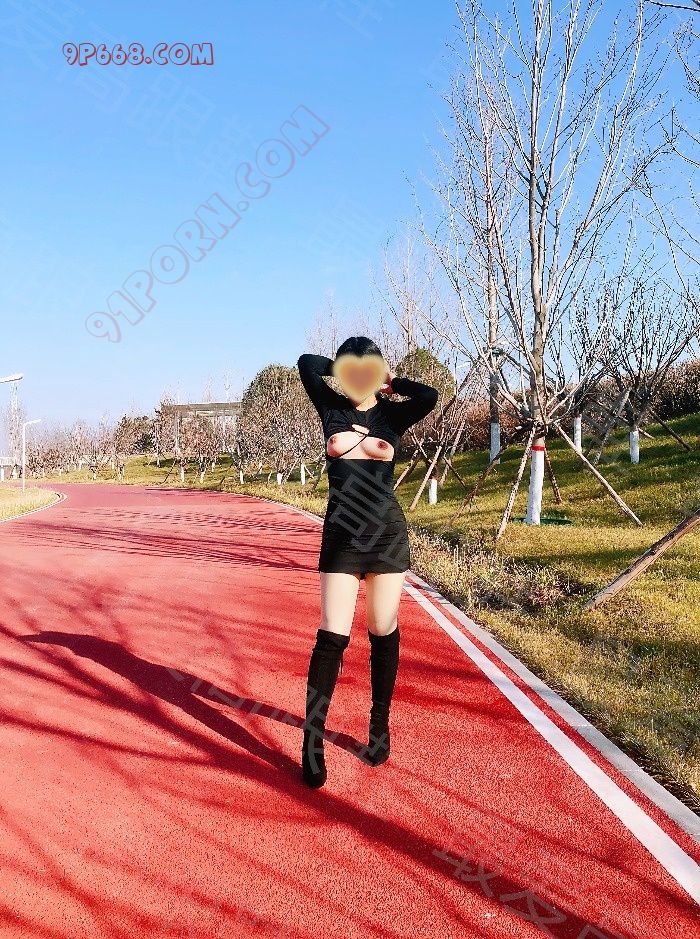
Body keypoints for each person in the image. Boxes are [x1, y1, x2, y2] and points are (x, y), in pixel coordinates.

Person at [297, 337, 439, 788]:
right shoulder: (330, 408)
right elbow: (306, 363)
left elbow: (429, 396)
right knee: (331, 636)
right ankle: (313, 739)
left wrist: (391, 381)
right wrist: (343, 368)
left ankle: (379, 725)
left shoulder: (392, 416)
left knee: (382, 630)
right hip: (341, 537)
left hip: (385, 537)